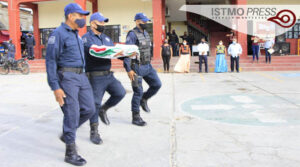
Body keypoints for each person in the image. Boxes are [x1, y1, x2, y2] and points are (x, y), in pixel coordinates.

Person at [45, 3, 95, 166]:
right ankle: (70, 153)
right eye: (80, 16)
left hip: (81, 76)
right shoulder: (58, 34)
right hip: (67, 77)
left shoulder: (76, 34)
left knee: (89, 108)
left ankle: (68, 132)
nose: (83, 19)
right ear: (70, 16)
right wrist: (55, 87)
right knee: (71, 113)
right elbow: (51, 61)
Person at [82, 12, 126, 144]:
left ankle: (104, 109)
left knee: (120, 93)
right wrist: (110, 52)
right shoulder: (86, 38)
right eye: (100, 23)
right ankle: (94, 131)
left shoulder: (106, 38)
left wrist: (126, 54)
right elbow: (94, 52)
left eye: (104, 23)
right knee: (95, 103)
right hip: (95, 76)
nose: (103, 25)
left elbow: (114, 52)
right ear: (92, 24)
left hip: (108, 74)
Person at [123, 13, 162, 126]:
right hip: (137, 67)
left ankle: (144, 99)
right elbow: (127, 52)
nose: (145, 23)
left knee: (157, 84)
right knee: (138, 92)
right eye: (143, 21)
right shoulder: (132, 34)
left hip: (147, 66)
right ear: (137, 21)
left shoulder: (145, 33)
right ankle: (135, 117)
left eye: (146, 21)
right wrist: (128, 69)